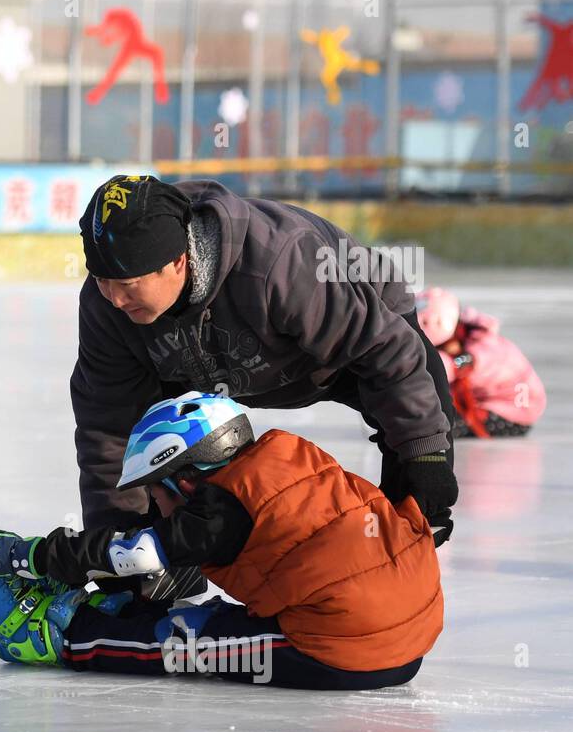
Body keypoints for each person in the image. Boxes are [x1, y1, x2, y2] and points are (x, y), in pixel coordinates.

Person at [0, 392, 442, 690]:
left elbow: (135, 552)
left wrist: (32, 555)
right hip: (406, 636)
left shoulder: (221, 510)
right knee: (212, 617)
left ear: (182, 481)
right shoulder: (291, 460)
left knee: (179, 642)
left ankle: (64, 635)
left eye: (153, 494)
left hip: (347, 650)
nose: (155, 508)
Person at [72, 174, 459, 544]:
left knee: (420, 470)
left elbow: (385, 350)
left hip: (360, 338)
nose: (114, 299)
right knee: (156, 442)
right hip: (216, 367)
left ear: (176, 261)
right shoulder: (106, 307)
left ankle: (404, 554)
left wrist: (424, 455)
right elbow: (108, 425)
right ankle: (174, 560)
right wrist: (117, 539)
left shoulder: (279, 264)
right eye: (100, 280)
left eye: (126, 285)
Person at [415, 287, 546, 439]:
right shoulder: (465, 338)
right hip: (489, 402)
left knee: (439, 427)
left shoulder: (483, 346)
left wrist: (418, 368)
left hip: (515, 410)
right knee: (433, 418)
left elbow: (461, 365)